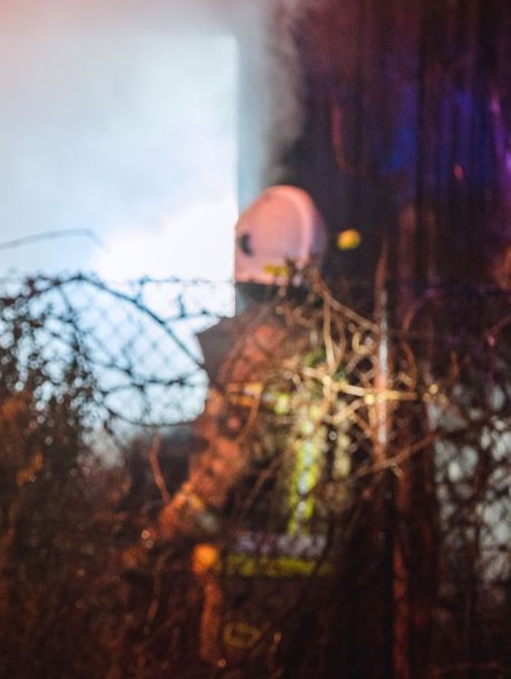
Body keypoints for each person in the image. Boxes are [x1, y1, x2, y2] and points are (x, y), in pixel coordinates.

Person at [148, 186, 358, 673]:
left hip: (252, 569)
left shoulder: (251, 359)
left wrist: (155, 539)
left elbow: (216, 476)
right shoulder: (326, 351)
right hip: (324, 568)